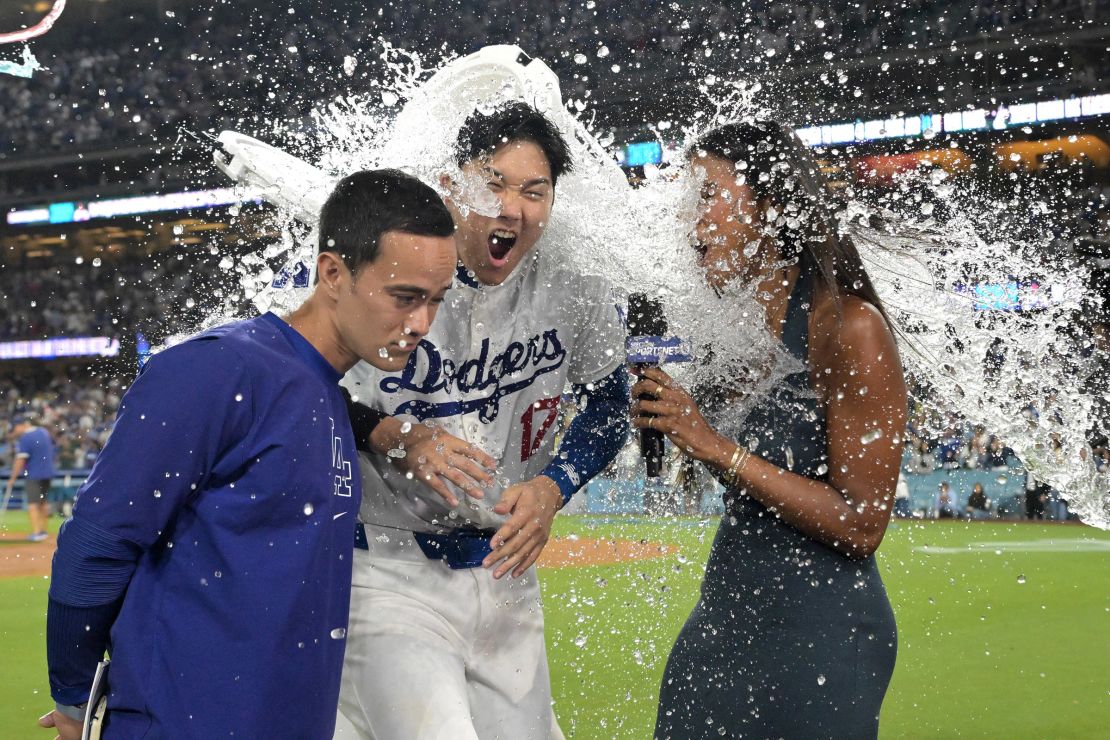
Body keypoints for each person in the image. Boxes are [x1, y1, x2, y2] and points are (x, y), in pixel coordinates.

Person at [40, 169, 457, 740]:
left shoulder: (327, 397)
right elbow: (95, 546)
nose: (421, 324)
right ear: (332, 273)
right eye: (404, 297)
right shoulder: (215, 370)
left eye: (436, 300)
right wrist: (72, 699)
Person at [337, 103, 629, 739]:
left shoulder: (576, 283)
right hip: (389, 571)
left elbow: (609, 406)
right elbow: (289, 382)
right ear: (452, 184)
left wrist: (554, 487)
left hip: (506, 570)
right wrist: (392, 434)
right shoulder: (388, 263)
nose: (513, 207)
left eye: (534, 190)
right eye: (493, 182)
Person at [638, 120, 906, 739]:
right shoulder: (725, 328)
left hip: (821, 629)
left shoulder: (850, 326)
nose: (689, 223)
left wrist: (712, 444)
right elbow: (741, 470)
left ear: (773, 206)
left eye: (705, 198)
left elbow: (863, 524)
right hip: (726, 614)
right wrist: (675, 425)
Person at [5, 415, 55, 541]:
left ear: (20, 425)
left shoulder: (26, 437)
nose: (15, 432)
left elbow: (20, 460)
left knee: (33, 504)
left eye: (15, 429)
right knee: (43, 502)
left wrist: (12, 478)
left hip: (34, 474)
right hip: (48, 473)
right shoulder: (43, 432)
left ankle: (37, 533)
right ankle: (44, 531)